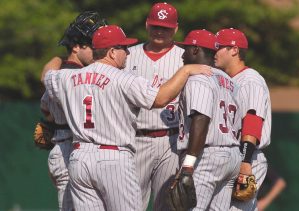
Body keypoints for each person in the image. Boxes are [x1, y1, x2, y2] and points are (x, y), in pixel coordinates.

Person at [42, 25, 212, 211]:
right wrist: (185, 71)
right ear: (112, 52)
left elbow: (46, 75)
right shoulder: (123, 79)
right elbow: (161, 98)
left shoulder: (67, 77)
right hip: (113, 158)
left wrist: (57, 58)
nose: (128, 52)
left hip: (79, 158)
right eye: (123, 48)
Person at [39, 11, 106, 211]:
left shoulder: (58, 73)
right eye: (93, 46)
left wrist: (53, 123)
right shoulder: (77, 75)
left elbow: (45, 110)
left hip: (66, 145)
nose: (98, 50)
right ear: (76, 46)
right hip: (70, 147)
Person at [123, 2, 184, 210]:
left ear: (175, 29)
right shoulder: (128, 54)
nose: (159, 31)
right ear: (147, 25)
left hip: (171, 140)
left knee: (167, 204)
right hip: (135, 138)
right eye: (156, 26)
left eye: (165, 27)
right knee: (130, 204)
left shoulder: (185, 57)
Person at [175, 29, 242, 210]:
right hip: (232, 156)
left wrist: (188, 166)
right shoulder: (230, 81)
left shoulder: (198, 79)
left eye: (186, 48)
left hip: (207, 156)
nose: (182, 54)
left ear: (196, 50)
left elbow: (201, 119)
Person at [214, 28, 272, 211]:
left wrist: (246, 162)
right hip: (232, 156)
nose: (214, 52)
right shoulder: (224, 79)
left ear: (234, 50)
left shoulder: (250, 80)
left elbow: (253, 121)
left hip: (249, 157)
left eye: (218, 47)